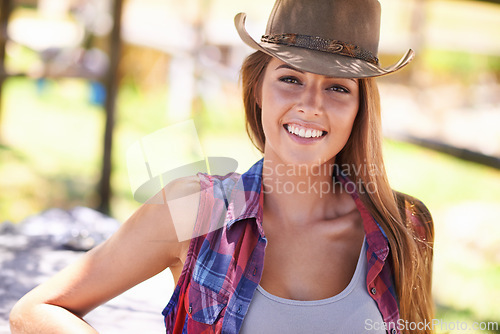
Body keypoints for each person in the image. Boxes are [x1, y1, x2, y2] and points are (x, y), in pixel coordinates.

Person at [9, 0, 434, 333]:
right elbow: (37, 310)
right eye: (290, 78)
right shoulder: (195, 208)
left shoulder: (403, 226)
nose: (310, 105)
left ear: (361, 109)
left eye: (338, 87)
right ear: (257, 91)